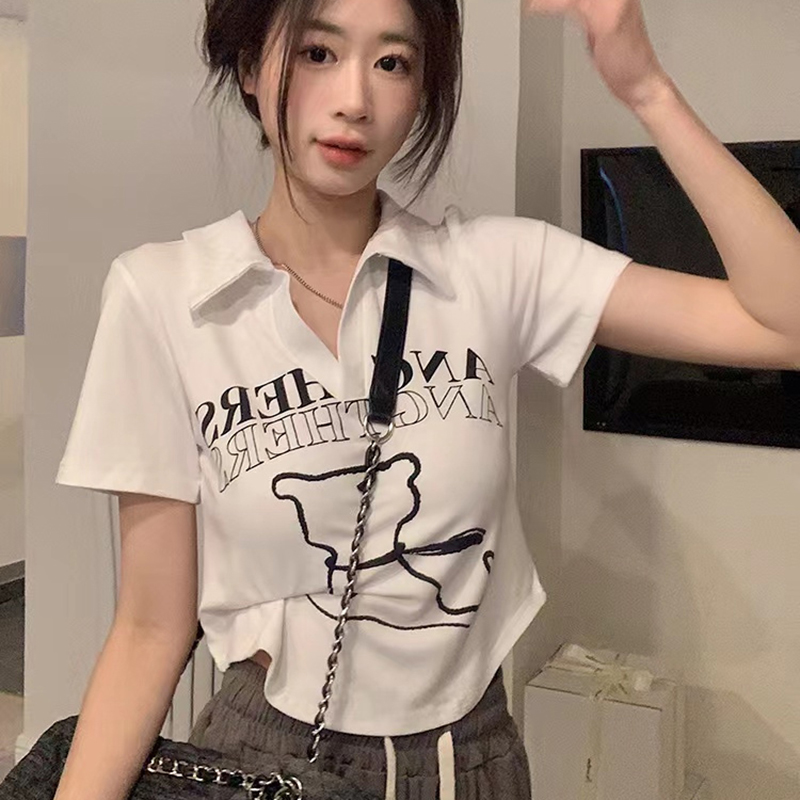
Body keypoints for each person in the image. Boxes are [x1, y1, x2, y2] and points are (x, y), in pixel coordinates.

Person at [51, 0, 800, 798]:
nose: (354, 100)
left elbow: (783, 325)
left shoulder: (494, 268)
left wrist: (646, 88)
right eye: (316, 53)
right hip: (268, 753)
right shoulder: (166, 297)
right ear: (248, 67)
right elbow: (150, 627)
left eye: (393, 63)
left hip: (469, 760)